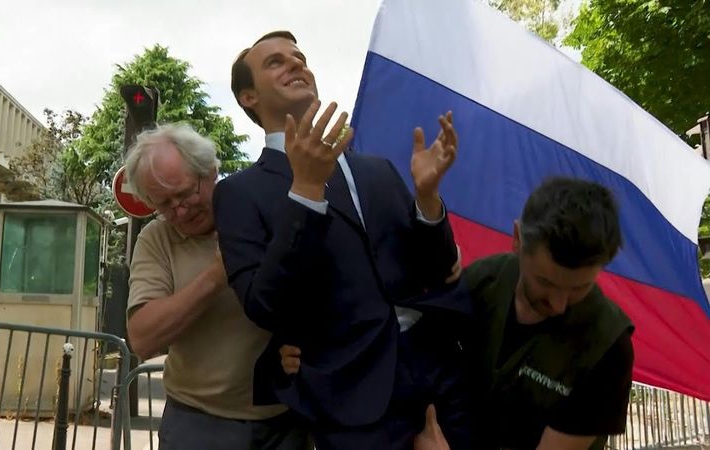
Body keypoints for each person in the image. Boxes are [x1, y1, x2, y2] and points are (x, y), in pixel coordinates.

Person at [214, 30, 471, 450]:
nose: (295, 63)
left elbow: (436, 270)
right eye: (275, 62)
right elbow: (264, 305)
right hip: (353, 400)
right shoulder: (238, 194)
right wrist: (306, 193)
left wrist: (427, 201)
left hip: (443, 381)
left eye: (299, 57)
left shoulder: (378, 170)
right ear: (249, 97)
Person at [287, 177, 635, 450]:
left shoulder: (607, 346)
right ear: (517, 239)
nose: (558, 304)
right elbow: (405, 344)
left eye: (578, 289)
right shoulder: (483, 281)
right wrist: (312, 354)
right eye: (545, 282)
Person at [124, 123, 309, 450]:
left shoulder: (260, 211)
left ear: (210, 171)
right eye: (164, 204)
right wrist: (218, 272)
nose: (180, 210)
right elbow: (143, 338)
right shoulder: (156, 239)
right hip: (197, 423)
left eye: (185, 194)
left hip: (284, 419)